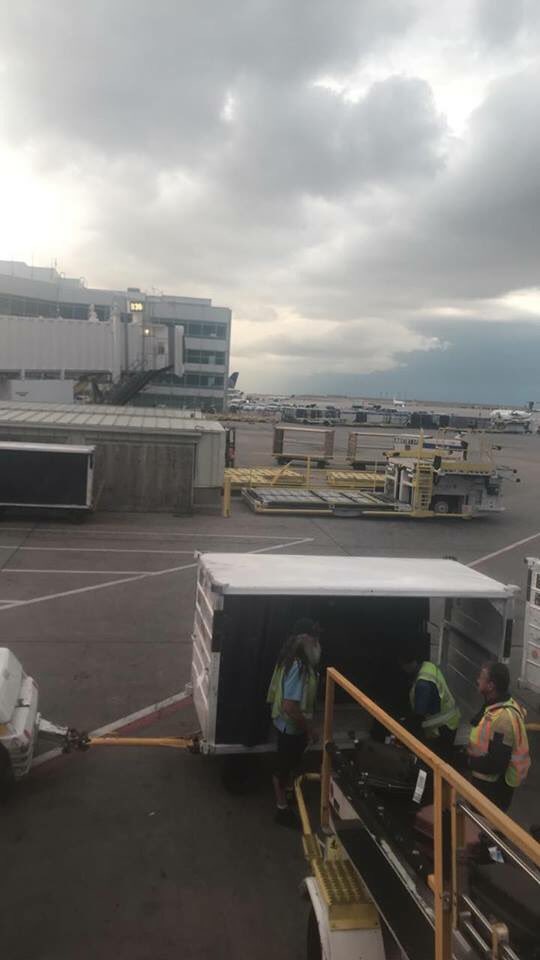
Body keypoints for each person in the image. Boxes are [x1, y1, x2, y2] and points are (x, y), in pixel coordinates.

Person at [267, 619, 320, 827]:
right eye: (315, 638)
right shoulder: (299, 667)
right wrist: (309, 729)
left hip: (286, 723)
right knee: (282, 769)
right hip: (290, 726)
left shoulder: (289, 658)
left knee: (289, 766)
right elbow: (290, 705)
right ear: (305, 639)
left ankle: (288, 794)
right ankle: (282, 810)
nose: (317, 643)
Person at [467, 661, 530, 812]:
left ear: (491, 686)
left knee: (482, 828)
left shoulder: (503, 719)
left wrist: (467, 761)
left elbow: (497, 764)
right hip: (486, 782)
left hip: (492, 789)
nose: (477, 680)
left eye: (481, 677)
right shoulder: (495, 705)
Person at [400, 652, 461, 761]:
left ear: (412, 664)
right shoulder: (428, 666)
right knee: (445, 759)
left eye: (404, 667)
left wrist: (402, 728)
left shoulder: (423, 684)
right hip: (451, 720)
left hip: (442, 727)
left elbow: (419, 715)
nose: (403, 670)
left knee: (438, 762)